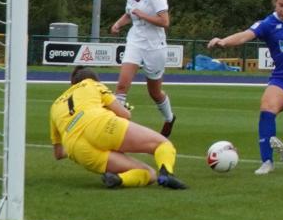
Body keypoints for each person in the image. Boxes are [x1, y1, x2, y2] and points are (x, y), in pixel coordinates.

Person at [207, 0, 283, 176]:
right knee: (267, 109)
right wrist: (223, 41)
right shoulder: (266, 24)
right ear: (274, 2)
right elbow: (245, 35)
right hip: (281, 77)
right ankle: (267, 162)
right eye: (281, 5)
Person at [49, 66, 186, 189]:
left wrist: (75, 144)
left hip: (76, 148)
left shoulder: (55, 106)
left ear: (72, 84)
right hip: (100, 124)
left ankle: (118, 179)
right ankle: (167, 173)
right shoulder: (92, 83)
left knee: (149, 174)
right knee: (162, 144)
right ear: (96, 79)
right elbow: (125, 114)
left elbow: (59, 154)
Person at [110, 0, 176, 137]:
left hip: (154, 47)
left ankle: (169, 118)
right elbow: (129, 14)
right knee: (121, 86)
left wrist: (142, 15)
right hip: (135, 42)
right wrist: (118, 24)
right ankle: (116, 130)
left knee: (154, 92)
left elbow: (165, 22)